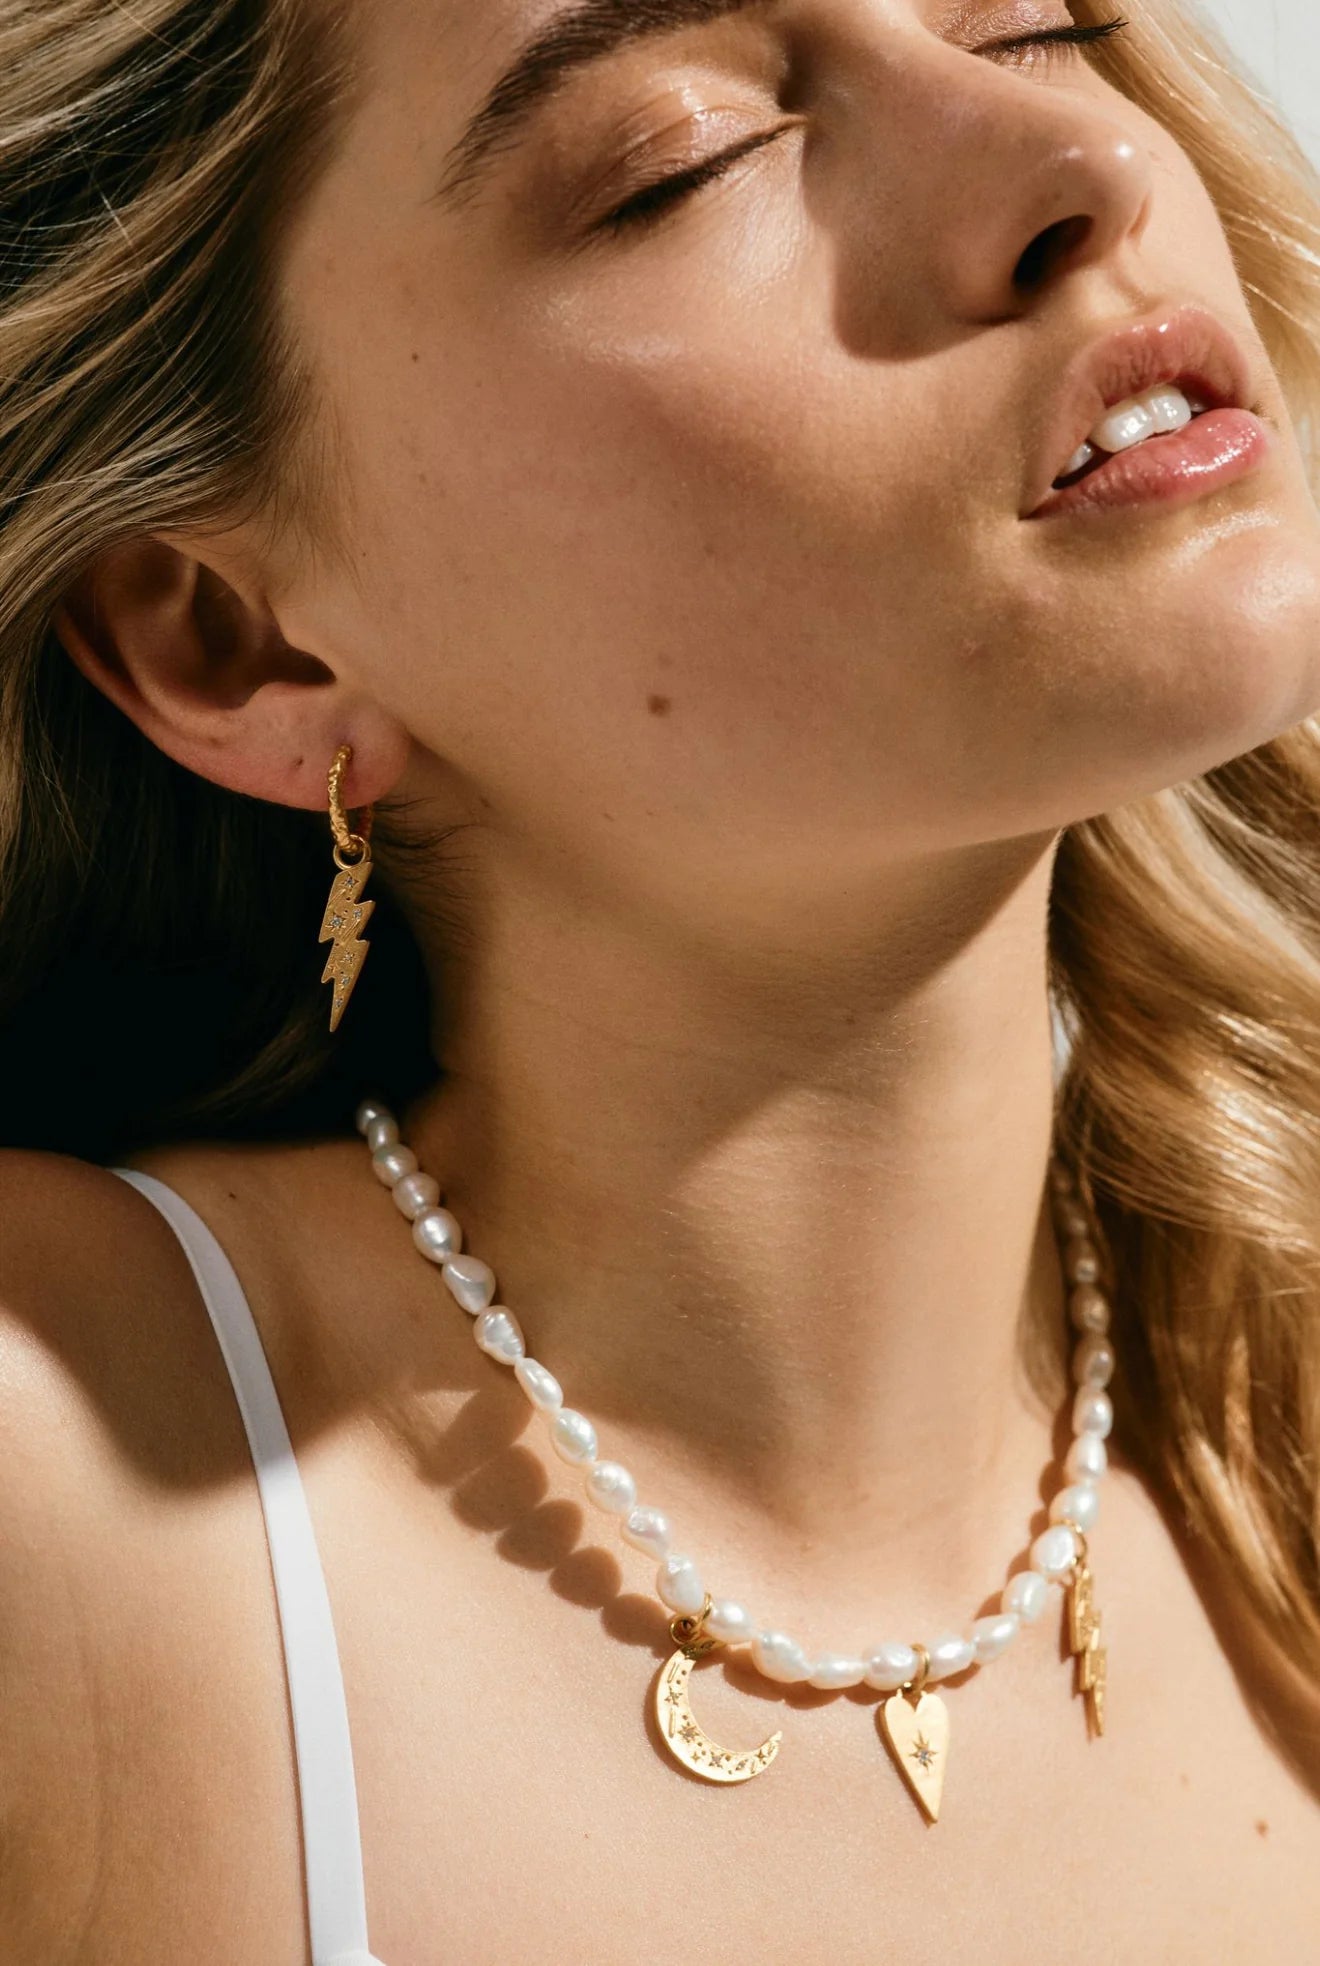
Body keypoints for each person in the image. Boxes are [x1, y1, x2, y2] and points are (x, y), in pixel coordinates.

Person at [3, 0, 1320, 1957]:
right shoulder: (68, 1474)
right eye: (686, 156)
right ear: (234, 645)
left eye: (1040, 18)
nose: (1093, 171)